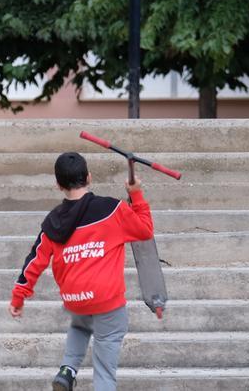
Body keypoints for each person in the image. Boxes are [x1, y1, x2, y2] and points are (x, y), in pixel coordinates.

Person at [9, 152, 154, 391]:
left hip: (75, 298)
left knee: (80, 324)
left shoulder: (53, 221)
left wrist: (19, 296)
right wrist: (135, 193)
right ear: (89, 177)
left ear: (58, 184)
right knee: (105, 369)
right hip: (107, 300)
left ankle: (68, 369)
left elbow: (34, 261)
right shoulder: (112, 209)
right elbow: (145, 231)